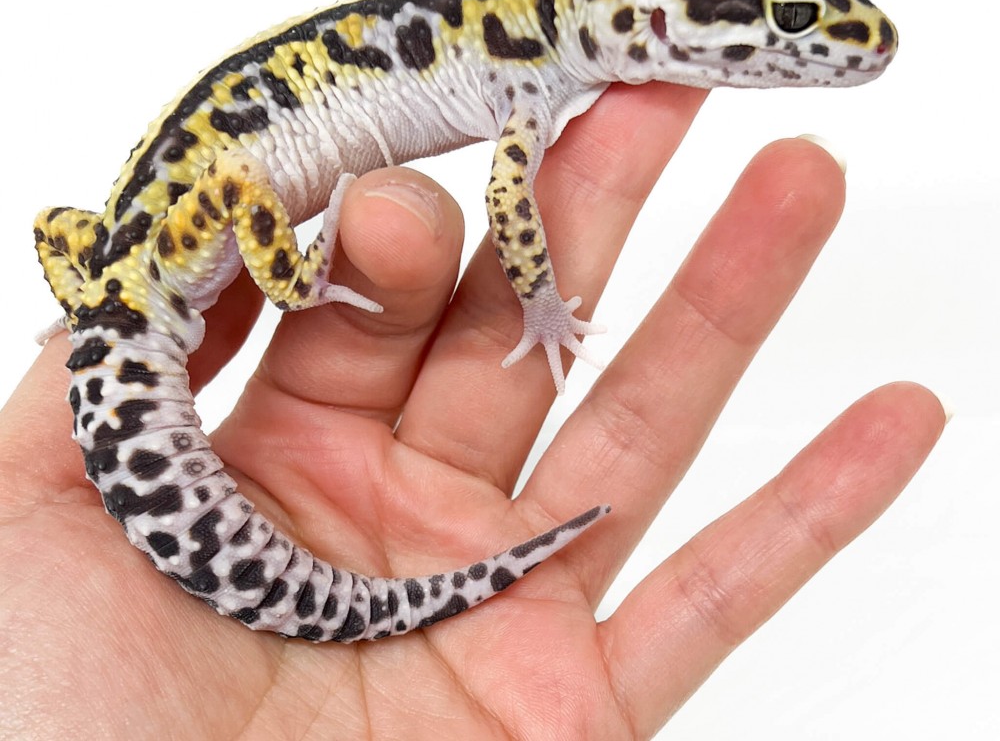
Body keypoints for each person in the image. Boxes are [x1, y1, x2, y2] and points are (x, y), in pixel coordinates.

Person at [0, 83, 944, 738]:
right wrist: (291, 282)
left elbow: (55, 228)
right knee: (326, 232)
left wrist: (90, 308)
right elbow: (229, 190)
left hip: (123, 302)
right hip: (139, 296)